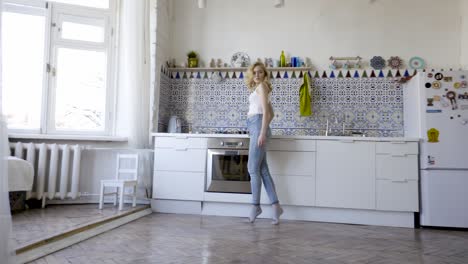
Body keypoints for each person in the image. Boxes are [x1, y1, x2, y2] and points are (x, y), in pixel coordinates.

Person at [245, 62, 283, 225]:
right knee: (263, 170)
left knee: (252, 169)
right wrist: (262, 128)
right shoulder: (261, 88)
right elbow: (271, 112)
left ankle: (255, 206)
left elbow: (267, 113)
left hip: (257, 127)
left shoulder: (262, 87)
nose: (257, 75)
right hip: (256, 127)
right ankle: (276, 207)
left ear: (265, 74)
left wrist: (261, 131)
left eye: (260, 72)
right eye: (255, 73)